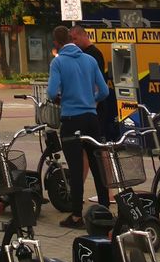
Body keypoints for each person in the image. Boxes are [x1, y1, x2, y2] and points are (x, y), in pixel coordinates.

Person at [47, 24, 110, 227]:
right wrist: (91, 100)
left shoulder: (58, 63)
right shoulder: (90, 60)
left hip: (72, 119)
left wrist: (61, 99)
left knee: (75, 168)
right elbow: (104, 92)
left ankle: (76, 216)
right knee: (96, 164)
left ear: (57, 43)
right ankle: (104, 209)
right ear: (71, 39)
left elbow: (50, 92)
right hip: (92, 119)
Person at [71, 24, 117, 141]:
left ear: (84, 36)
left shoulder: (93, 54)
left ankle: (104, 159)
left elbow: (97, 81)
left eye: (75, 38)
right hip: (90, 105)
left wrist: (93, 104)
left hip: (95, 106)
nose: (73, 42)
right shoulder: (86, 54)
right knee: (88, 142)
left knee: (98, 142)